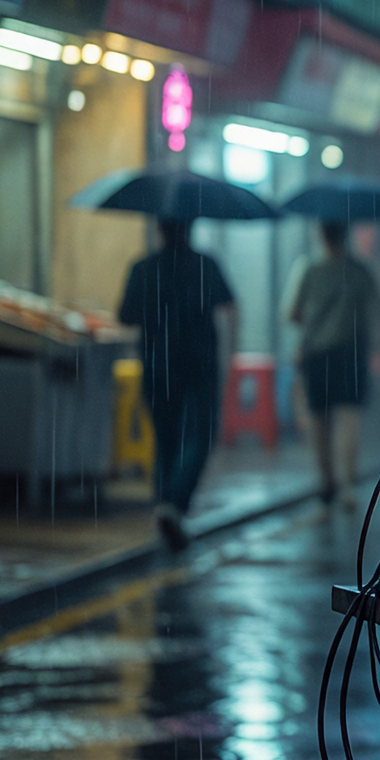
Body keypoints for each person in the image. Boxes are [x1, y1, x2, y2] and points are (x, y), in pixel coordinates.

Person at [119, 216, 236, 549]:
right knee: (201, 435)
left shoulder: (143, 268)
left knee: (165, 439)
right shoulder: (205, 265)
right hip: (200, 363)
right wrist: (230, 354)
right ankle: (174, 503)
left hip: (158, 363)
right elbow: (228, 306)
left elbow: (125, 315)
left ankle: (165, 507)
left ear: (159, 230)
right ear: (190, 229)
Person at [285, 218, 380, 504]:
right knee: (348, 416)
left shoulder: (310, 270)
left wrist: (316, 320)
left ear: (321, 235)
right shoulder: (359, 271)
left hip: (316, 352)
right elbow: (378, 311)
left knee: (319, 418)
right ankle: (348, 486)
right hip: (350, 352)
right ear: (346, 235)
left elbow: (292, 313)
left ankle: (326, 480)